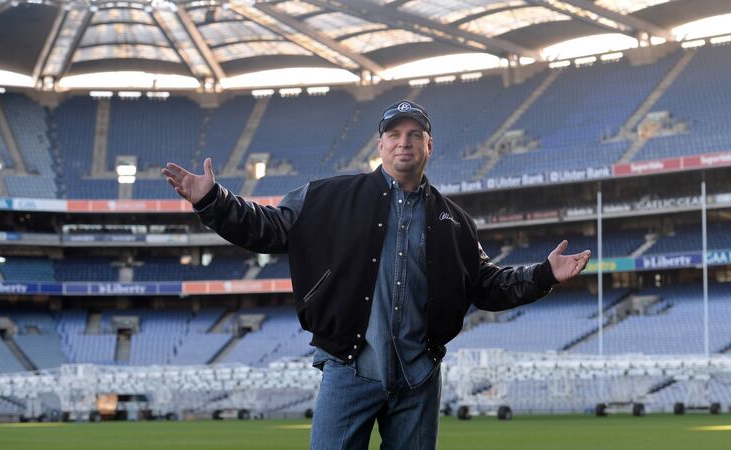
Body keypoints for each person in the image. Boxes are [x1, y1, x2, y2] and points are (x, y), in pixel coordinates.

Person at [162, 100, 591, 449]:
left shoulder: (454, 221)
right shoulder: (326, 196)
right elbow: (267, 227)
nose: (404, 143)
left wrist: (543, 275)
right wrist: (213, 201)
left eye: (414, 135)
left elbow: (487, 284)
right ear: (381, 145)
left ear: (429, 146)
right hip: (349, 367)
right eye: (394, 135)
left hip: (418, 376)